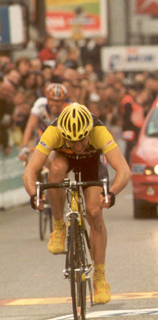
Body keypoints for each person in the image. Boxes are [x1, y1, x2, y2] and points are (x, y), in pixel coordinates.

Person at [22, 103, 132, 304]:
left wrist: (112, 194)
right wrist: (33, 195)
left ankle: (100, 278)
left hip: (92, 163)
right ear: (63, 134)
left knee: (94, 212)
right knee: (55, 170)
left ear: (89, 131)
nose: (79, 145)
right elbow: (30, 170)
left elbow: (124, 171)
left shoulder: (99, 131)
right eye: (72, 141)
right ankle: (59, 226)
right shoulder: (53, 132)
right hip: (65, 159)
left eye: (82, 139)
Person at [18, 83, 69, 162]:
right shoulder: (40, 104)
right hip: (42, 138)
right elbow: (30, 125)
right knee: (31, 161)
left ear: (64, 100)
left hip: (61, 140)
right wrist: (24, 146)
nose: (54, 104)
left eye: (58, 101)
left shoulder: (70, 109)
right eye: (52, 100)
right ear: (47, 98)